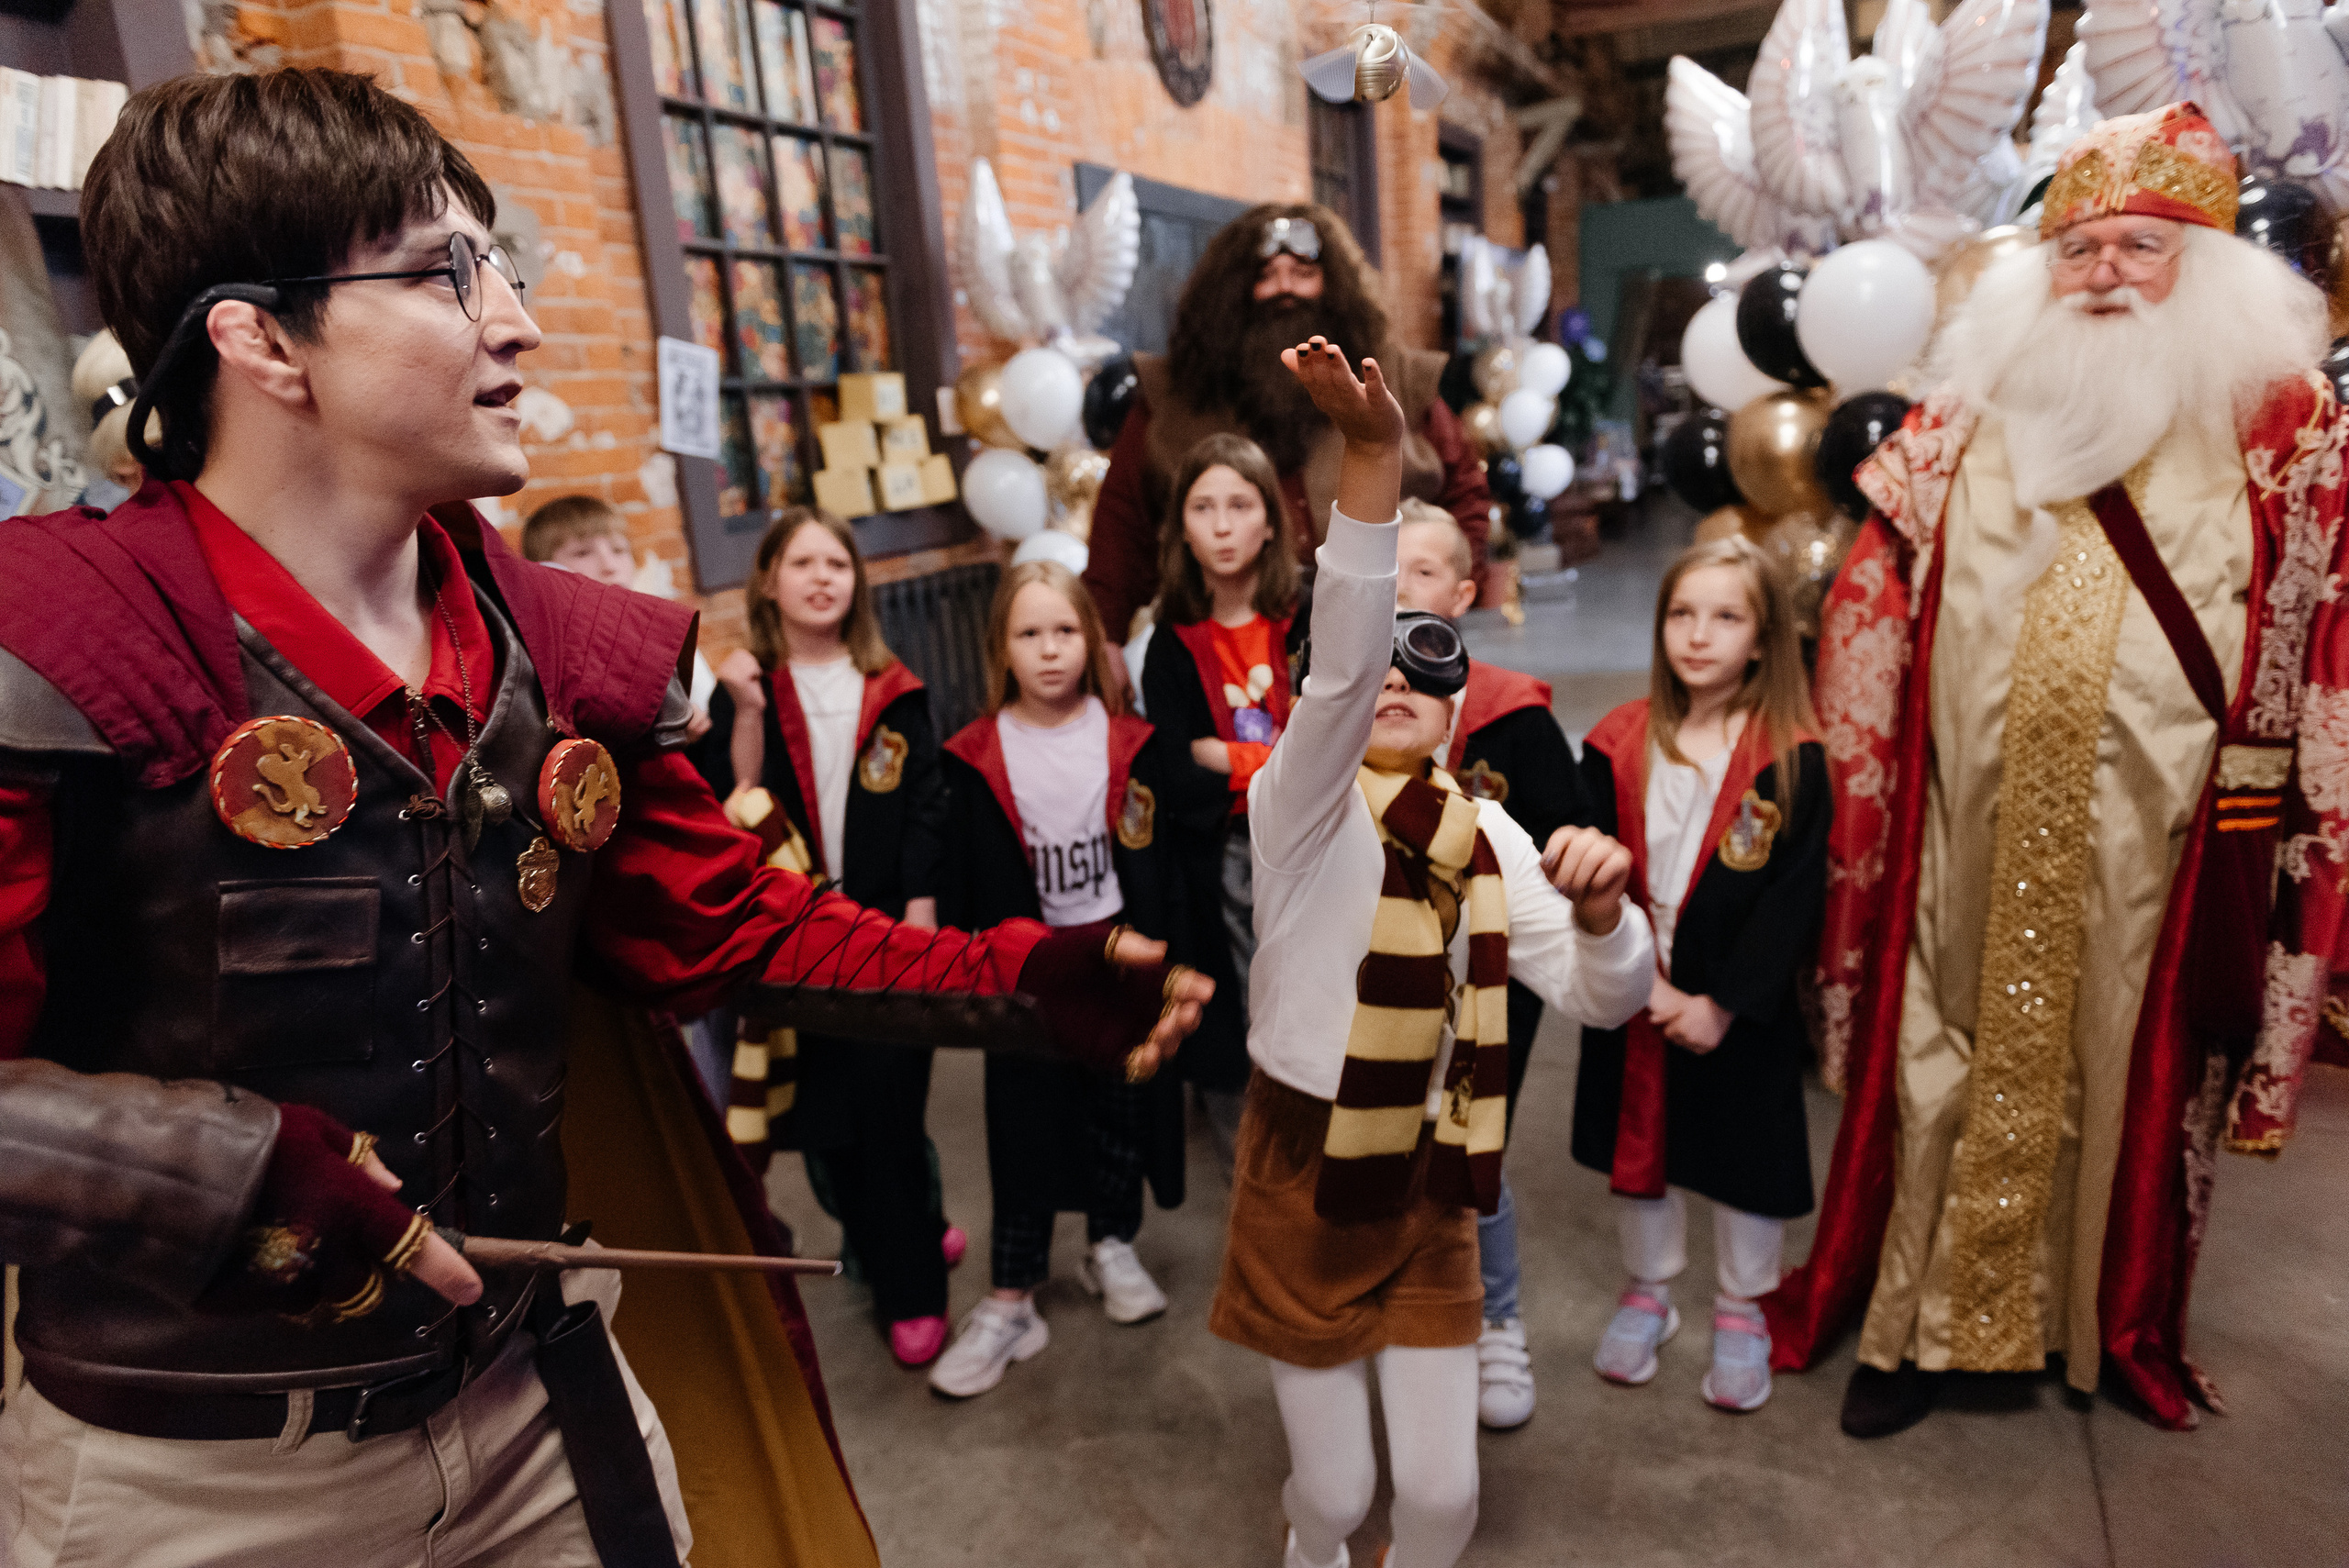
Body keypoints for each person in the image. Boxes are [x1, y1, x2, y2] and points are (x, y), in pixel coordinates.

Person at [0, 67, 1207, 1568]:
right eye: (450, 271)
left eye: (500, 265)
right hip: (193, 1484)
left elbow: (737, 929)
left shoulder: (562, 648)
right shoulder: (58, 632)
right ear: (260, 337)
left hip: (532, 1405)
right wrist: (206, 1171)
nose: (514, 319)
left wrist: (1022, 980)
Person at [1763, 101, 2349, 1438]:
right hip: (1960, 826)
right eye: (2076, 245)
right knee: (1940, 1047)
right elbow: (1872, 592)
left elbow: (2328, 641)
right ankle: (1916, 1328)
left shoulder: (2289, 431)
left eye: (2141, 246)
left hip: (2170, 841)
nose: (2101, 273)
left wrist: (2299, 836)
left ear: (2206, 268)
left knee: (2123, 1071)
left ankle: (2109, 1323)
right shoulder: (1962, 414)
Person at [1207, 335, 1653, 1568]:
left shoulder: (1491, 834)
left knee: (1447, 1501)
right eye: (1373, 664)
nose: (1395, 676)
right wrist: (1372, 458)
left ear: (1464, 696)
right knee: (1339, 1496)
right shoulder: (1295, 803)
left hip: (1433, 1170)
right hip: (1306, 1160)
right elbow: (1346, 659)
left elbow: (1610, 1000)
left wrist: (1613, 918)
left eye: (1430, 657)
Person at [930, 561, 1226, 1397]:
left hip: (1121, 963)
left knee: (1119, 1111)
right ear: (1002, 648)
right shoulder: (976, 754)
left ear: (1091, 642)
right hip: (1028, 975)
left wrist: (1172, 964)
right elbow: (963, 879)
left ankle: (1111, 1243)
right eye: (1029, 634)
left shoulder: (1130, 743)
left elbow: (1163, 866)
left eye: (1064, 631)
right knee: (1023, 1126)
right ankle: (1012, 1295)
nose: (1050, 650)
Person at [698, 506, 964, 1372]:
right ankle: (906, 1226)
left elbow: (927, 803)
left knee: (889, 1109)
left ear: (857, 583)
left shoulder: (891, 687)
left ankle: (913, 1285)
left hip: (887, 925)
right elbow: (732, 801)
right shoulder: (749, 688)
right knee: (829, 1119)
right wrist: (736, 706)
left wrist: (922, 906)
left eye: (838, 564)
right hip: (795, 930)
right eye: (802, 563)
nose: (822, 577)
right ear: (768, 580)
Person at [1570, 537, 1829, 1414]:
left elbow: (1791, 903)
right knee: (1638, 1148)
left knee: (1743, 1154)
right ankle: (1648, 1289)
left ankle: (1740, 1303)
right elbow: (1588, 871)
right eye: (1682, 612)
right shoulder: (1616, 741)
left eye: (1726, 616)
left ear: (1761, 639)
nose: (1699, 634)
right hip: (1635, 980)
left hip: (1733, 1000)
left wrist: (1721, 1003)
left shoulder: (1790, 758)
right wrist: (1638, 981)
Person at [1389, 499, 1589, 1430]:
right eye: (1383, 566)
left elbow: (1566, 848)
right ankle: (1399, 1299)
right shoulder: (1342, 704)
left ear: (1464, 594)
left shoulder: (1512, 715)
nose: (1399, 584)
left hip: (1494, 976)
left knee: (1476, 1150)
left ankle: (1496, 1315)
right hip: (1384, 978)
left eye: (1423, 570)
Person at [1081, 202, 1494, 643]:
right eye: (1265, 276)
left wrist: (1440, 589)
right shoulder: (1168, 398)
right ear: (1230, 294)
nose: (1285, 289)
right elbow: (1119, 538)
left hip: (1385, 636)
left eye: (1303, 273)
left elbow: (1465, 494)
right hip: (1224, 645)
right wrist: (1105, 640)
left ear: (1335, 288)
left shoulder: (1396, 380)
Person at [1140, 431, 1298, 1155]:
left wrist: (1227, 754)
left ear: (1271, 518)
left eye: (1241, 504)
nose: (1224, 524)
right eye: (1204, 507)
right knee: (1241, 995)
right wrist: (1273, 756)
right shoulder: (1171, 643)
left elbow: (1330, 746)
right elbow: (1177, 768)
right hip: (1223, 848)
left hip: (1309, 838)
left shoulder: (1302, 622)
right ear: (1182, 528)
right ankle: (1257, 1146)